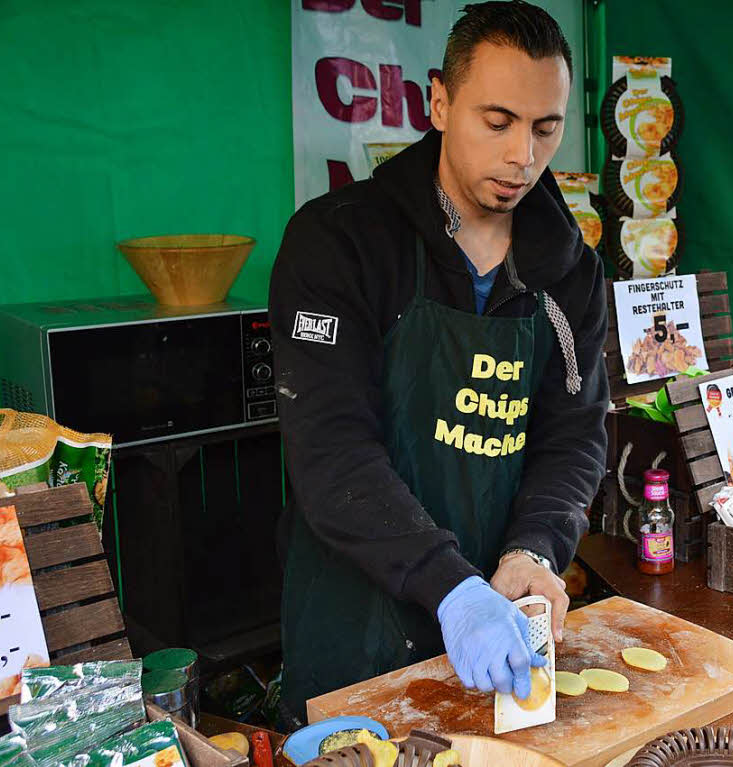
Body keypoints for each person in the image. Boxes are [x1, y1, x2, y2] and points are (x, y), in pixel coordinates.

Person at [269, 0, 608, 724]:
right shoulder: (338, 243)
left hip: (500, 628)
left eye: (545, 127)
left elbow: (574, 433)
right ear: (440, 102)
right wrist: (453, 591)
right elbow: (330, 450)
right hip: (356, 619)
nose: (524, 155)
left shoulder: (571, 272)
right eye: (498, 121)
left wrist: (535, 550)